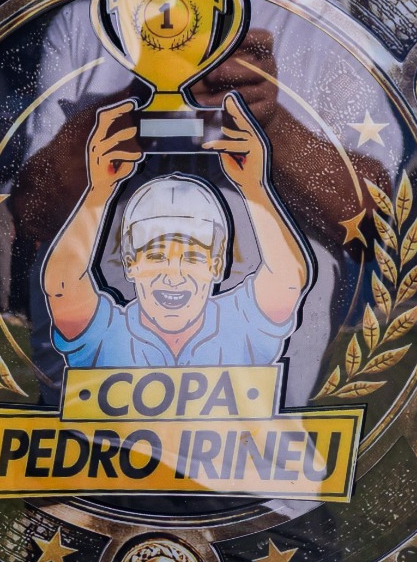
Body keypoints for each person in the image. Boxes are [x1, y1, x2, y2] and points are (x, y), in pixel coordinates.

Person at [42, 94, 311, 369]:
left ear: (216, 265)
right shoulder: (107, 335)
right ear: (130, 263)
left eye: (192, 257)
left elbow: (287, 280)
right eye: (157, 256)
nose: (174, 275)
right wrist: (98, 191)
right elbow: (63, 288)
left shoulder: (240, 326)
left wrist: (255, 186)